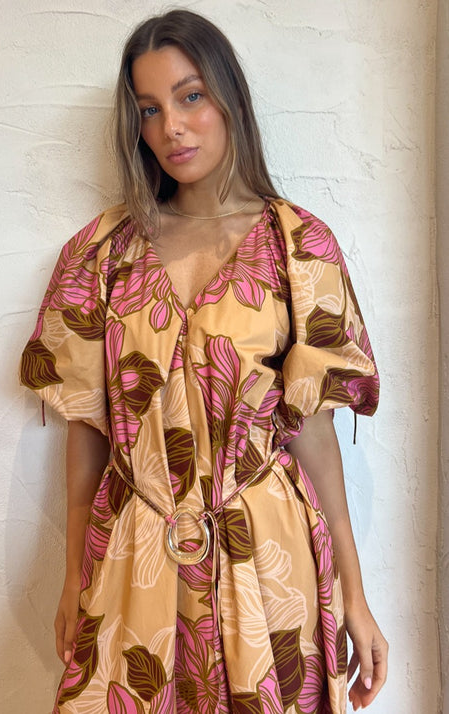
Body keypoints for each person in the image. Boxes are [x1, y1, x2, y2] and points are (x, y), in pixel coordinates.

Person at [19, 9, 388, 714]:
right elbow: (88, 426)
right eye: (149, 109)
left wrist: (354, 592)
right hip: (136, 551)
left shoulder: (299, 247)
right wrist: (73, 576)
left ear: (229, 99)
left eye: (190, 97)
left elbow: (311, 431)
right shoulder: (101, 254)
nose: (172, 128)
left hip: (267, 554)